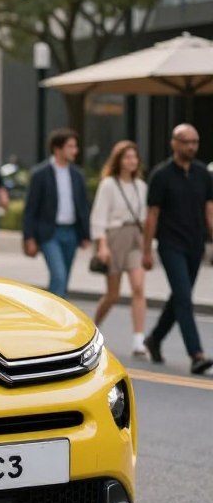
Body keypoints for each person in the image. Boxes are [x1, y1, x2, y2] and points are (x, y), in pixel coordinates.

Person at [142, 124, 213, 375]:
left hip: (195, 245)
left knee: (178, 299)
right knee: (184, 297)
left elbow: (209, 210)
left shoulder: (203, 173)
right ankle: (196, 354)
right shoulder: (161, 175)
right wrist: (147, 250)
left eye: (195, 141)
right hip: (170, 245)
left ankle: (155, 339)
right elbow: (152, 214)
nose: (191, 146)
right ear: (174, 143)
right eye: (186, 142)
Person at [90, 140, 149, 358]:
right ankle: (93, 327)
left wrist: (147, 246)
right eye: (127, 157)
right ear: (119, 160)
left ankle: (138, 341)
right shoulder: (108, 185)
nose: (132, 161)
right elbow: (98, 217)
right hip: (114, 238)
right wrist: (102, 246)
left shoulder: (141, 186)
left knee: (138, 288)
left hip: (135, 236)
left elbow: (145, 218)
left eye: (134, 157)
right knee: (113, 294)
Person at [22, 128, 91, 299]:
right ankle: (55, 319)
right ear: (57, 148)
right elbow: (31, 208)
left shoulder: (77, 174)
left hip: (72, 233)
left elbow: (83, 205)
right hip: (50, 233)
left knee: (64, 279)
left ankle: (58, 315)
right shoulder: (40, 174)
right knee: (59, 276)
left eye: (75, 146)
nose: (75, 150)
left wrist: (85, 234)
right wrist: (29, 237)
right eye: (70, 146)